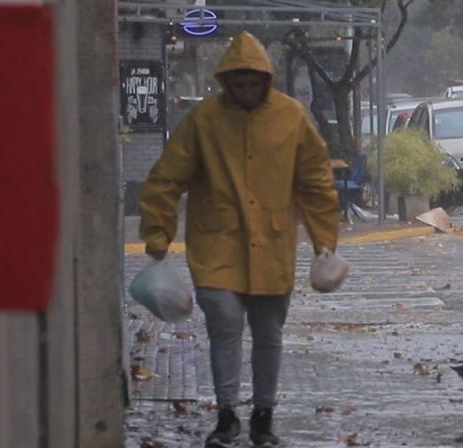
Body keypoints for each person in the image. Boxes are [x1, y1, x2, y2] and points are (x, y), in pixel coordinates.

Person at [138, 31, 340, 448]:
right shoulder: (204, 120)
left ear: (266, 80)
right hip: (217, 246)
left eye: (253, 83)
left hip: (273, 245)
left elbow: (316, 182)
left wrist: (325, 242)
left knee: (269, 333)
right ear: (226, 82)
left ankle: (263, 416)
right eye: (239, 84)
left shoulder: (292, 117)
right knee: (224, 327)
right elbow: (166, 179)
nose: (246, 91)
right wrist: (157, 238)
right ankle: (227, 414)